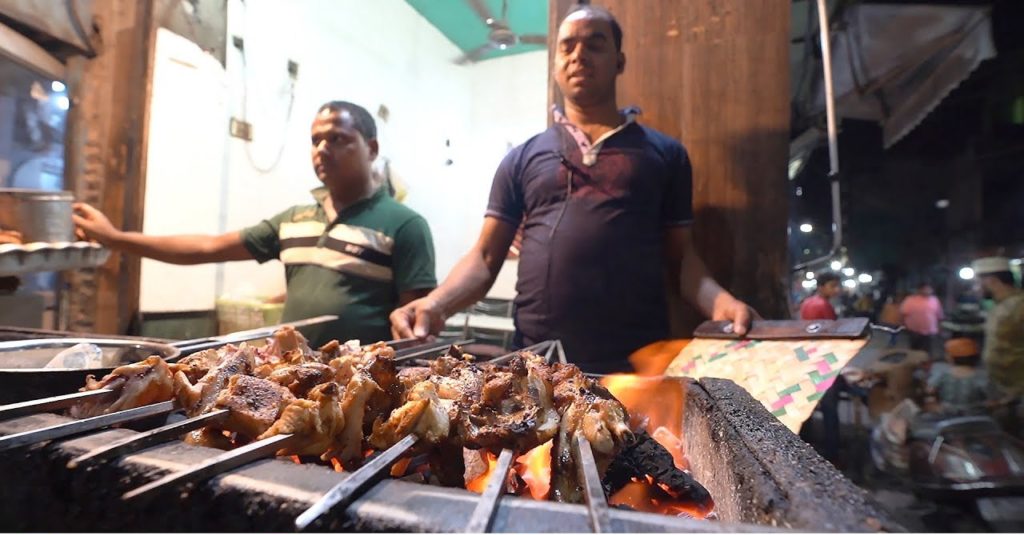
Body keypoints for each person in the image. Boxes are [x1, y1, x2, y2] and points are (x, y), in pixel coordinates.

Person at [389, 4, 754, 373]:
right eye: (567, 46)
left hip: (636, 370)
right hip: (536, 368)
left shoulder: (665, 155)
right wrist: (435, 304)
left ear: (620, 61)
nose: (579, 55)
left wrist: (721, 304)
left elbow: (682, 261)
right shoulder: (521, 158)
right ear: (555, 64)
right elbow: (484, 259)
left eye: (595, 44)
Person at [73, 101, 437, 346]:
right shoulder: (294, 220)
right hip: (295, 379)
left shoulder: (404, 225)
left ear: (371, 149)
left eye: (337, 139)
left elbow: (414, 328)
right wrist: (117, 239)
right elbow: (207, 248)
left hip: (362, 392)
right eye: (315, 140)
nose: (322, 149)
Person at [973, 256, 1024, 435]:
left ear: (992, 281)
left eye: (978, 283)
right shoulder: (996, 306)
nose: (976, 288)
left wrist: (1015, 395)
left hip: (1017, 395)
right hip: (1000, 390)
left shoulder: (1020, 306)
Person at [900, 282, 943, 357]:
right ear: (919, 290)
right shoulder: (910, 300)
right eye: (925, 289)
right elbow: (903, 313)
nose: (927, 291)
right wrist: (904, 326)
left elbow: (939, 315)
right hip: (914, 330)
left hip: (929, 331)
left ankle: (926, 366)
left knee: (927, 351)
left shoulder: (934, 300)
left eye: (929, 289)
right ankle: (913, 365)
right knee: (914, 350)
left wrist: (939, 327)